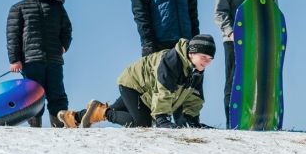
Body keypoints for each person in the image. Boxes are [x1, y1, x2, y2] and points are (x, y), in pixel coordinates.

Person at [56, 35, 215, 129]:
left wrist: (192, 121)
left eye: (210, 59)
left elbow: (195, 97)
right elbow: (163, 91)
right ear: (191, 53)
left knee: (120, 110)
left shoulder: (196, 69)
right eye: (204, 57)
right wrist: (162, 118)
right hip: (134, 84)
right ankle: (103, 112)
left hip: (145, 90)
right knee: (142, 124)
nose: (207, 62)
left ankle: (73, 118)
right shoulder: (172, 61)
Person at [213, 0, 278, 128]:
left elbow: (274, 12)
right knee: (235, 81)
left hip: (261, 42)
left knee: (261, 80)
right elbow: (220, 11)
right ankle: (232, 123)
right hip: (235, 40)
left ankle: (259, 122)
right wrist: (230, 32)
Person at [6, 0, 73, 128]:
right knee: (34, 94)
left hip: (54, 59)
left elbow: (67, 28)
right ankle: (35, 128)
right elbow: (13, 36)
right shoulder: (18, 8)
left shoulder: (56, 6)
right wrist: (15, 59)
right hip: (31, 60)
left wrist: (64, 45)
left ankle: (60, 125)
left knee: (57, 93)